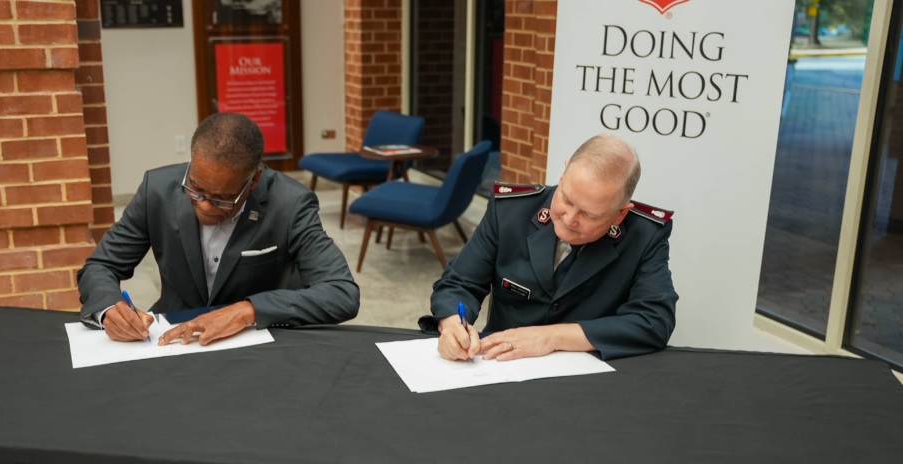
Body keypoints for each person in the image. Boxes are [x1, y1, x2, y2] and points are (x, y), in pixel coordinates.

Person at [78, 113, 360, 346]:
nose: (205, 206)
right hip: (173, 338)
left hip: (255, 340)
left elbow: (341, 292)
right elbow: (100, 266)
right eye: (196, 189)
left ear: (254, 179)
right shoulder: (158, 190)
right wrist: (108, 309)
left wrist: (247, 310)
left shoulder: (290, 204)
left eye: (223, 198)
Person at [419, 134, 677, 362]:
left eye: (589, 215)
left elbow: (654, 321)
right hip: (499, 367)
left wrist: (552, 337)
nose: (569, 218)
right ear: (563, 175)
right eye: (566, 198)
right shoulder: (510, 211)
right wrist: (453, 324)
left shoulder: (644, 236)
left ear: (620, 214)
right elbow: (458, 283)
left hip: (586, 379)